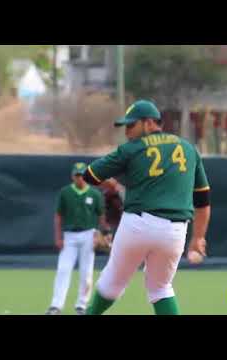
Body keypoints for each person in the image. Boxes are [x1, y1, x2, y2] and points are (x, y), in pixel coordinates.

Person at [82, 100, 211, 315]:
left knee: (112, 283)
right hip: (175, 231)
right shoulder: (189, 149)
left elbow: (90, 175)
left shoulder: (132, 148)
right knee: (160, 289)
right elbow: (203, 200)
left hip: (138, 225)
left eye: (131, 125)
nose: (127, 131)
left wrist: (114, 183)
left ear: (150, 123)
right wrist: (198, 237)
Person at [45, 162, 108, 315]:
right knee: (63, 270)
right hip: (70, 236)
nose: (79, 178)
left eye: (81, 175)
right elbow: (58, 216)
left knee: (86, 273)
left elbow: (101, 216)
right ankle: (56, 305)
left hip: (88, 235)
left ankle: (81, 305)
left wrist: (103, 234)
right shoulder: (65, 192)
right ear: (72, 176)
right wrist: (58, 237)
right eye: (77, 175)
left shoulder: (95, 194)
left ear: (85, 176)